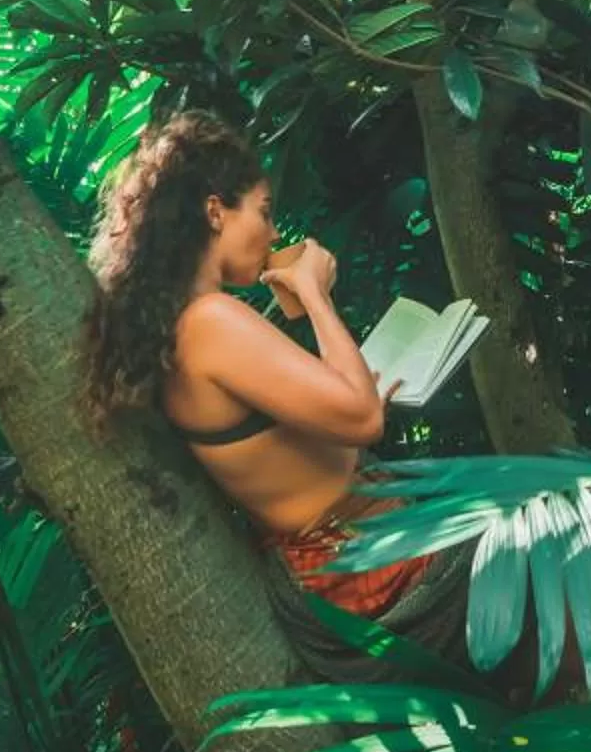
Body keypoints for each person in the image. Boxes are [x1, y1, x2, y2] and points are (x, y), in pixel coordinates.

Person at [82, 110, 428, 618]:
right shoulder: (210, 322)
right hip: (368, 569)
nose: (271, 234)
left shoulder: (181, 327)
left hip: (360, 553)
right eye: (264, 212)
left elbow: (325, 420)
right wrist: (315, 295)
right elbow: (363, 419)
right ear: (216, 212)